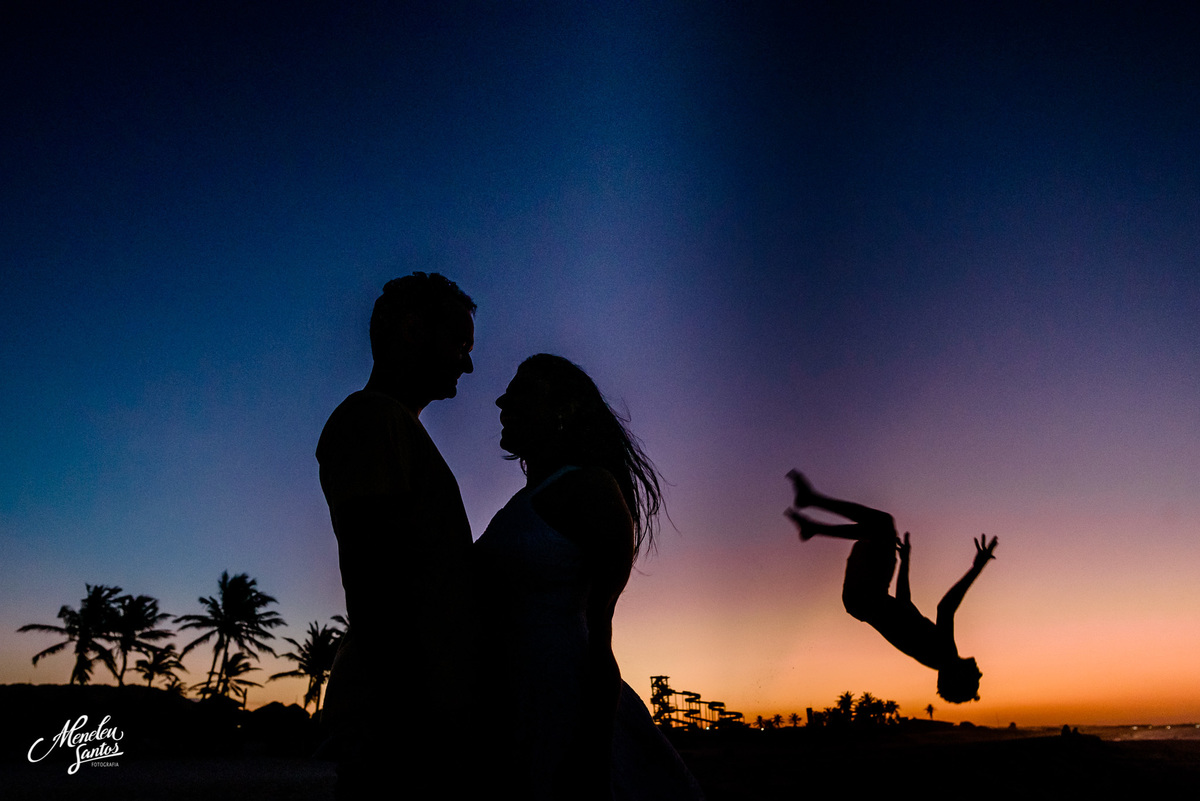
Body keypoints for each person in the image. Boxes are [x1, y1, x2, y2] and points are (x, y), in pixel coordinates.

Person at [473, 354, 702, 800]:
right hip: (512, 703)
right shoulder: (525, 501)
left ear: (566, 408)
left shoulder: (592, 490)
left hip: (565, 707)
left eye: (523, 390)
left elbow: (599, 642)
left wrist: (593, 757)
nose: (502, 400)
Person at [315, 272, 475, 798]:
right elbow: (376, 581)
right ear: (411, 330)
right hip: (402, 716)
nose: (467, 363)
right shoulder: (372, 419)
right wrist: (417, 719)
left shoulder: (395, 424)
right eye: (459, 343)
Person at [785, 470, 997, 703]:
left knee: (882, 525)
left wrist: (976, 568)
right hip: (864, 597)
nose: (980, 673)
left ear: (958, 676)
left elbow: (945, 608)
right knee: (877, 530)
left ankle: (812, 504)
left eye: (975, 679)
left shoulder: (945, 654)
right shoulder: (935, 657)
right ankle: (813, 524)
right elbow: (904, 603)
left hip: (866, 595)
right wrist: (905, 562)